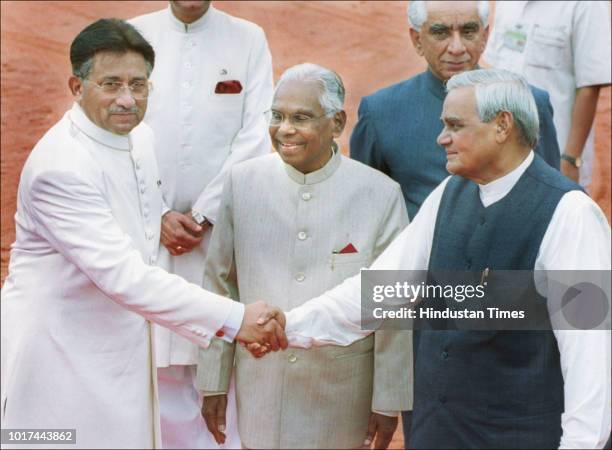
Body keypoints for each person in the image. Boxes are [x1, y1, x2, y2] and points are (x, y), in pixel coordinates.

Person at [272, 69, 611, 449]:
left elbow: (591, 361)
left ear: (502, 126)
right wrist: (287, 325)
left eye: (454, 125)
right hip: (438, 432)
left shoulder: (571, 214)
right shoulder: (452, 191)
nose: (441, 138)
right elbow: (381, 291)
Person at [0, 19, 285, 449]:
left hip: (121, 349)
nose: (127, 100)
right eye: (110, 84)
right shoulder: (60, 167)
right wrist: (236, 319)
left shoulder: (140, 139)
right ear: (77, 87)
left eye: (139, 85)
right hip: (55, 360)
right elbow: (127, 276)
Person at [196, 63, 412, 449]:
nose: (285, 129)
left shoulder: (380, 194)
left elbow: (391, 303)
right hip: (262, 386)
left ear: (337, 123)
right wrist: (212, 381)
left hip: (340, 394)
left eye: (301, 118)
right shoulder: (242, 183)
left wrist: (388, 399)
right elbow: (220, 286)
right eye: (277, 116)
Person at [129, 2, 274, 448]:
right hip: (145, 230)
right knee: (154, 362)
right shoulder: (132, 35)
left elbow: (257, 132)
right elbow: (118, 128)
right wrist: (156, 212)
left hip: (221, 231)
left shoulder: (248, 38)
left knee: (220, 358)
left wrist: (201, 213)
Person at [350, 0, 561, 220]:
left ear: (485, 36)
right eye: (441, 33)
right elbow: (365, 208)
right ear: (417, 39)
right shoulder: (380, 112)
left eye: (468, 32)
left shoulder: (529, 103)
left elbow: (549, 196)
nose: (457, 48)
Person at [484, 1, 611, 188]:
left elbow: (589, 86)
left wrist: (570, 158)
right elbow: (494, 67)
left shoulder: (588, 4)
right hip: (502, 148)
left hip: (553, 153)